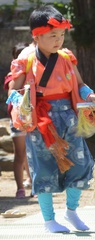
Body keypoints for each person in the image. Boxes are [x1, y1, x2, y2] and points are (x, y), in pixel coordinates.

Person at [6, 6, 95, 233]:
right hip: (40, 120)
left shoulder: (66, 57)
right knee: (43, 168)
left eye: (62, 35)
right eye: (52, 35)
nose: (59, 40)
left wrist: (91, 95)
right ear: (36, 36)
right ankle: (49, 220)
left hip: (68, 117)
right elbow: (12, 90)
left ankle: (72, 211)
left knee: (82, 163)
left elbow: (81, 85)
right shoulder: (25, 59)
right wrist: (21, 102)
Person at [5, 43, 33, 199]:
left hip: (33, 119)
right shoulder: (12, 76)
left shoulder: (34, 73)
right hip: (18, 120)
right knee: (20, 155)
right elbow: (11, 88)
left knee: (33, 154)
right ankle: (20, 188)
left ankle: (34, 186)